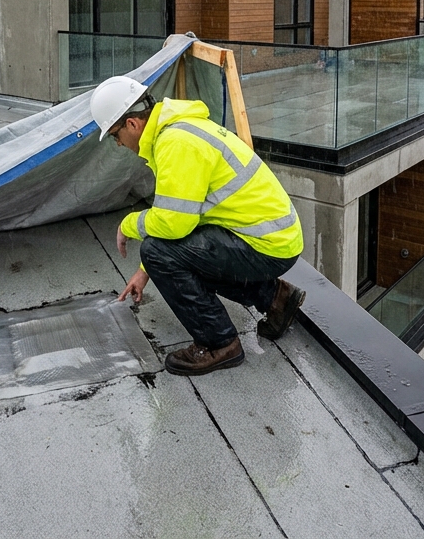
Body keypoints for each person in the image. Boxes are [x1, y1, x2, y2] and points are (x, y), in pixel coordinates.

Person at [92, 76, 306, 376]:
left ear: (132, 124)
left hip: (266, 246)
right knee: (167, 252)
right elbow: (187, 219)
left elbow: (173, 224)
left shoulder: (176, 143)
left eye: (115, 136)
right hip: (272, 239)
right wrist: (145, 272)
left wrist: (130, 225)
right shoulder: (181, 129)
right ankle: (275, 298)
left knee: (156, 250)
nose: (118, 143)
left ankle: (219, 343)